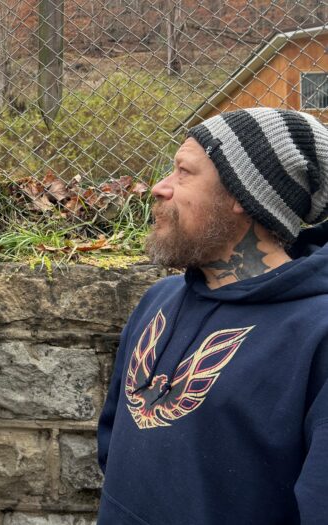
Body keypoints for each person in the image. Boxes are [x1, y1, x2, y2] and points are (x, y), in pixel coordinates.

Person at [97, 107, 328, 524]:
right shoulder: (158, 300)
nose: (159, 188)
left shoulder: (316, 333)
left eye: (184, 172)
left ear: (243, 194)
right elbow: (113, 442)